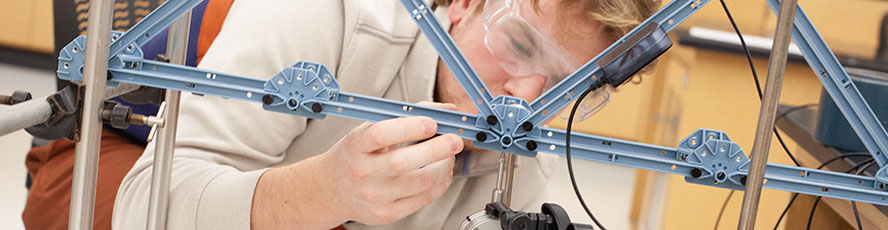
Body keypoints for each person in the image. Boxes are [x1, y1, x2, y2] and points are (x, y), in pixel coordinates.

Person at [112, 0, 658, 229]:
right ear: (465, 4)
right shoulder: (328, 14)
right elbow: (140, 210)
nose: (524, 94)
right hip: (126, 149)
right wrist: (324, 191)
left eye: (563, 85)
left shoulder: (524, 168)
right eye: (518, 43)